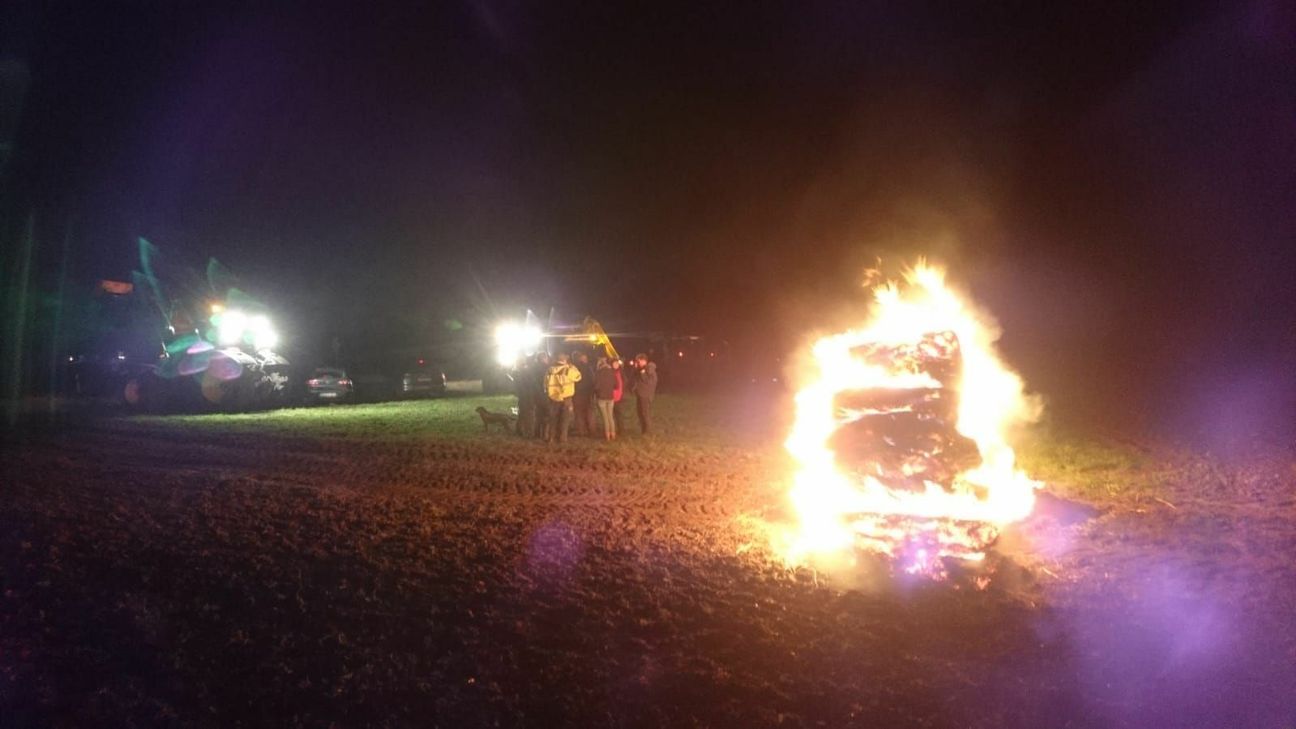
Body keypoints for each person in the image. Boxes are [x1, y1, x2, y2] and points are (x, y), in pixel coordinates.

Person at [544, 352, 581, 443]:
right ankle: (562, 438)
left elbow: (545, 383)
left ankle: (551, 438)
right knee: (565, 419)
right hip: (566, 398)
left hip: (553, 398)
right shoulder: (568, 369)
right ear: (565, 359)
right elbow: (578, 377)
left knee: (553, 419)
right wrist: (572, 366)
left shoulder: (550, 370)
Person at [593, 357, 619, 441]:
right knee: (610, 416)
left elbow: (596, 386)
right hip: (610, 397)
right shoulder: (611, 372)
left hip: (601, 397)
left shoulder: (598, 373)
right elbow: (616, 385)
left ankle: (607, 436)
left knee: (605, 417)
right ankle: (613, 434)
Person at [631, 352, 657, 435]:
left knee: (645, 413)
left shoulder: (649, 370)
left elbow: (649, 382)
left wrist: (643, 374)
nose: (638, 363)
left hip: (646, 395)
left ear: (644, 361)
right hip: (640, 394)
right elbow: (635, 379)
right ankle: (644, 429)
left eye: (640, 361)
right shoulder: (640, 369)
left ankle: (647, 431)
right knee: (640, 412)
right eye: (638, 361)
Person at [572, 351, 595, 436]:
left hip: (577, 393)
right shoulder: (588, 367)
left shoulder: (573, 368)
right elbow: (592, 380)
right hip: (588, 393)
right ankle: (592, 429)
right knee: (589, 411)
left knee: (579, 413)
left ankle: (581, 430)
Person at [531, 352, 551, 440]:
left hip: (536, 395)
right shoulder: (547, 369)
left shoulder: (533, 368)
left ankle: (536, 433)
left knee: (538, 415)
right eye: (546, 358)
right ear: (543, 358)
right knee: (547, 415)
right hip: (546, 394)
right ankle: (545, 435)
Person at [611, 357, 629, 436]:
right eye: (614, 363)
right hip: (611, 396)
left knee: (619, 414)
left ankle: (621, 429)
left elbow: (625, 382)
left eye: (617, 363)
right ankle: (613, 430)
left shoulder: (621, 372)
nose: (616, 365)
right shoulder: (610, 372)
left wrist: (622, 391)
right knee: (612, 415)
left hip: (620, 396)